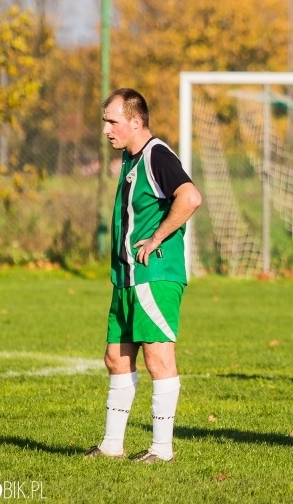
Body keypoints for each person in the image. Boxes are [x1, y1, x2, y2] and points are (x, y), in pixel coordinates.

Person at [86, 88, 202, 464]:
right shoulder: (130, 159)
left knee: (158, 359)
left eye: (112, 120)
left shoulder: (156, 155)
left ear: (135, 122)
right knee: (116, 358)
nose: (106, 128)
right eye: (105, 120)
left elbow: (190, 197)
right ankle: (111, 446)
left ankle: (162, 450)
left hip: (154, 275)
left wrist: (156, 237)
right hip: (126, 278)